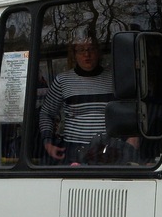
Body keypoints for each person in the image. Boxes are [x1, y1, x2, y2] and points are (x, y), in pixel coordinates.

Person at [39, 36, 116, 164]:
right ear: (74, 55)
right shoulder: (62, 81)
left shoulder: (114, 79)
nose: (87, 54)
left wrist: (132, 138)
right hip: (73, 151)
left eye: (91, 49)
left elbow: (130, 109)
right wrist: (47, 142)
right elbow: (46, 113)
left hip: (109, 150)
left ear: (98, 52)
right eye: (81, 50)